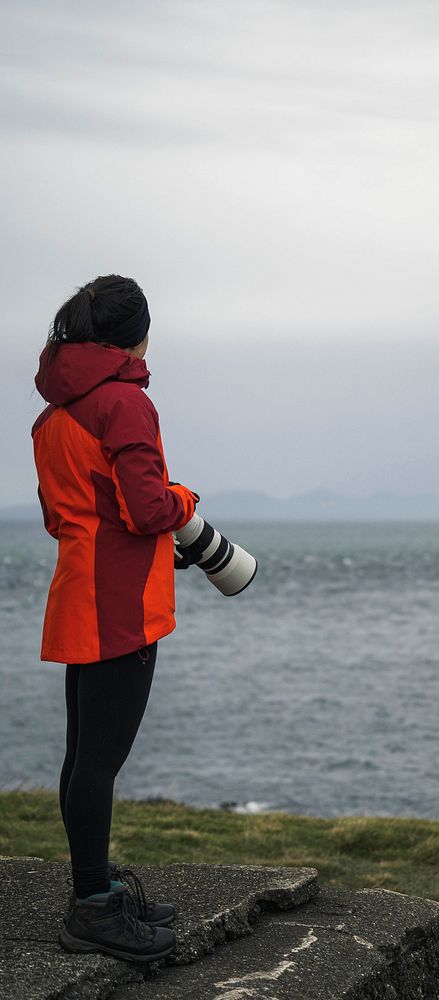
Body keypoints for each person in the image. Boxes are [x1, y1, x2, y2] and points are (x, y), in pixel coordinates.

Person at [32, 274, 200, 963]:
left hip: (79, 591)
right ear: (136, 336)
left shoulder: (53, 413)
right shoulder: (125, 403)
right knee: (101, 761)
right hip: (120, 607)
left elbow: (65, 516)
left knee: (82, 756)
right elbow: (147, 507)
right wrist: (185, 501)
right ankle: (94, 913)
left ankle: (95, 888)